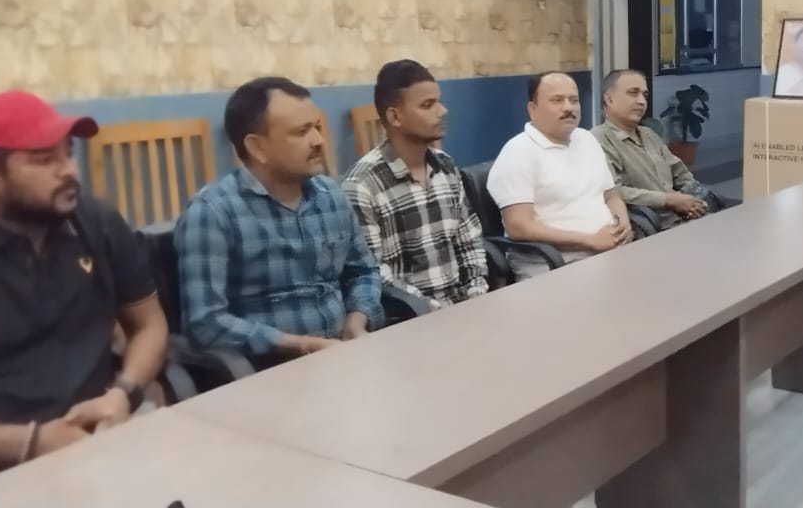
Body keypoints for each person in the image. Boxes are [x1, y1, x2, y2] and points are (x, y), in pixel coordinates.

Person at [0, 91, 167, 473]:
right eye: (44, 160)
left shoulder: (97, 222)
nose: (69, 170)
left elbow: (149, 324)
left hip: (102, 434)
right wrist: (32, 441)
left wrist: (123, 393)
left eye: (68, 153)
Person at [175, 77, 384, 368]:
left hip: (344, 355)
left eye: (317, 127)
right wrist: (302, 345)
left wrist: (357, 320)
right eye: (301, 132)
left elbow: (363, 271)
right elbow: (206, 323)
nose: (319, 140)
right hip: (269, 370)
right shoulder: (212, 212)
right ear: (257, 147)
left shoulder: (331, 196)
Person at [343, 60, 488, 308]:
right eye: (427, 105)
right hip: (411, 315)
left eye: (439, 101)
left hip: (463, 307)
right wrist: (435, 310)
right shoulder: (362, 185)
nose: (442, 111)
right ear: (395, 117)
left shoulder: (446, 165)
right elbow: (375, 273)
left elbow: (469, 240)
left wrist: (477, 295)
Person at [488, 71, 632, 277]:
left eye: (574, 100)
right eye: (557, 100)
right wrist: (588, 240)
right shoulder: (518, 152)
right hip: (556, 264)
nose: (568, 107)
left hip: (610, 252)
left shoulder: (587, 139)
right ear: (532, 109)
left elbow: (611, 196)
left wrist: (623, 224)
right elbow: (519, 226)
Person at [590, 69, 708, 231]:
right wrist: (669, 200)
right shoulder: (599, 139)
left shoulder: (649, 134)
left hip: (687, 219)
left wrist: (698, 199)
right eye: (633, 93)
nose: (642, 101)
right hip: (653, 229)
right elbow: (614, 192)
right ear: (609, 99)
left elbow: (680, 173)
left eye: (644, 95)